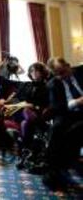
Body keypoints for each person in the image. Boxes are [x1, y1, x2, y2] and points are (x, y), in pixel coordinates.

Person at [44, 57, 83, 189]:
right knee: (57, 129)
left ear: (68, 65)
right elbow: (56, 108)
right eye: (58, 74)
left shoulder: (80, 73)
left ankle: (68, 162)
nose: (62, 76)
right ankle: (55, 171)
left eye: (63, 71)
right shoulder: (53, 84)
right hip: (67, 113)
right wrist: (77, 102)